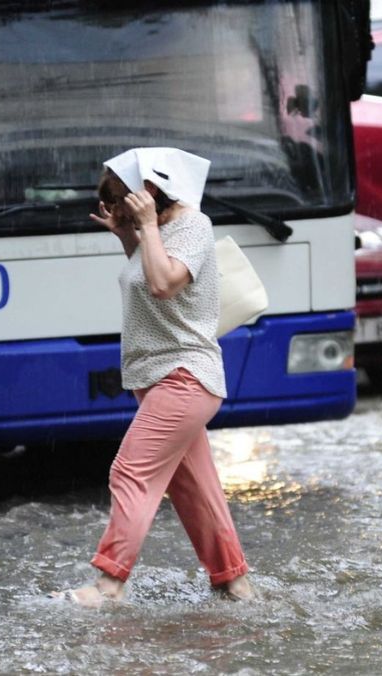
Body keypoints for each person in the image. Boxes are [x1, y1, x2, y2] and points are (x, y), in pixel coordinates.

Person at [57, 148, 255, 608]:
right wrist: (129, 237)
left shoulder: (192, 225)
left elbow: (166, 285)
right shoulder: (158, 230)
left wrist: (145, 229)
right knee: (196, 490)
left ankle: (109, 585)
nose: (121, 211)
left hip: (183, 374)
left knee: (130, 471)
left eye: (124, 202)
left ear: (151, 192)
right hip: (160, 378)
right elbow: (147, 283)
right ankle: (234, 583)